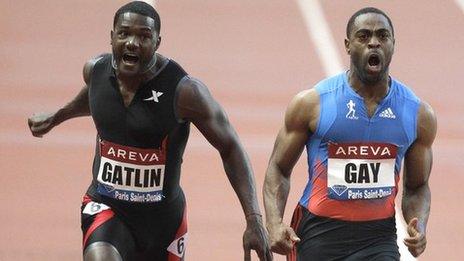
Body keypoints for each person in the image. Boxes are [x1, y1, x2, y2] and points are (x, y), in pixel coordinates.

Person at [27, 2, 272, 260]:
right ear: (112, 37)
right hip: (106, 208)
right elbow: (93, 98)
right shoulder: (95, 71)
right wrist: (56, 117)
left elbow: (230, 147)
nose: (132, 43)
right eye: (124, 33)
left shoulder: (185, 91)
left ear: (157, 42)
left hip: (164, 224)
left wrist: (253, 219)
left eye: (144, 36)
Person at [263, 7, 436, 260]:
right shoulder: (313, 104)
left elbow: (418, 185)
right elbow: (278, 168)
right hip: (318, 233)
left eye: (382, 36)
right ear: (347, 44)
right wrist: (274, 223)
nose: (374, 42)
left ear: (393, 44)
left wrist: (418, 223)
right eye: (364, 36)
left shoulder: (417, 114)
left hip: (378, 238)